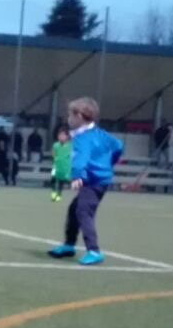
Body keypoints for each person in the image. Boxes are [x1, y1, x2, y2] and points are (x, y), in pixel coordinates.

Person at [47, 98, 123, 266]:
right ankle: (69, 245)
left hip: (93, 182)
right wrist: (109, 163)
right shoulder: (101, 134)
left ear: (79, 116)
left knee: (83, 211)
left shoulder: (82, 138)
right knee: (74, 209)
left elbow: (80, 160)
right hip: (100, 180)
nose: (68, 118)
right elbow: (119, 146)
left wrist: (77, 177)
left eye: (70, 115)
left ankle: (94, 250)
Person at [49, 125, 72, 203]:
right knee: (53, 179)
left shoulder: (70, 146)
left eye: (63, 135)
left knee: (61, 182)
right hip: (56, 166)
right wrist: (55, 159)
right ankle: (53, 193)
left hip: (65, 167)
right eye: (60, 135)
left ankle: (59, 194)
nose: (61, 137)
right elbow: (53, 154)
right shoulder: (55, 145)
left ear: (67, 136)